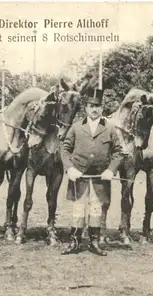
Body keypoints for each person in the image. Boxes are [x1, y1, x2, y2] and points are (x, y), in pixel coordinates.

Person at [60, 88, 124, 256]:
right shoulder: (76, 127)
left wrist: (111, 170)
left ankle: (94, 242)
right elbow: (64, 149)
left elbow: (118, 152)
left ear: (102, 108)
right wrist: (70, 168)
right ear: (86, 108)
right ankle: (74, 242)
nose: (94, 109)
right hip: (78, 175)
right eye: (91, 106)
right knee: (78, 208)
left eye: (98, 106)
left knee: (96, 208)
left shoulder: (110, 128)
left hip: (100, 177)